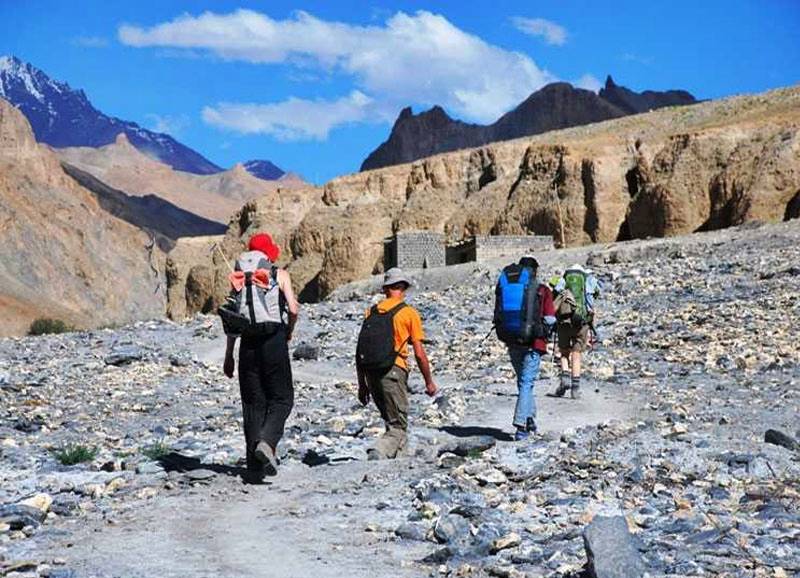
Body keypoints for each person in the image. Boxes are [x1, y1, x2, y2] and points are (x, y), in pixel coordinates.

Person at [222, 232, 299, 481]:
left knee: (253, 404)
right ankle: (267, 443)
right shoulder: (279, 274)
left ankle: (254, 469)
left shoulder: (238, 280)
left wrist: (229, 356)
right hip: (273, 339)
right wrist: (289, 330)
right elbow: (294, 308)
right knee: (282, 398)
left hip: (247, 343)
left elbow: (233, 320)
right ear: (268, 253)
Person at [356, 268, 437, 460]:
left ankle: (399, 460)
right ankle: (380, 451)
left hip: (371, 372)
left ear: (385, 289)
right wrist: (429, 382)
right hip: (394, 371)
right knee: (398, 425)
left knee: (390, 419)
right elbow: (419, 353)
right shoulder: (409, 313)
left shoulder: (371, 312)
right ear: (403, 288)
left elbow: (360, 350)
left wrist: (362, 384)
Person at [494, 256, 555, 440]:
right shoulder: (543, 290)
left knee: (523, 383)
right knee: (527, 383)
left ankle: (530, 420)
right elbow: (551, 318)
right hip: (534, 343)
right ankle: (520, 425)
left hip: (511, 340)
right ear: (535, 271)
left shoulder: (507, 287)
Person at [553, 264, 601, 399]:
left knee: (564, 352)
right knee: (576, 353)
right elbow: (597, 292)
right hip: (582, 322)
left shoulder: (563, 278)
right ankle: (575, 388)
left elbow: (555, 290)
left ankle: (565, 378)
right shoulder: (587, 279)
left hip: (564, 320)